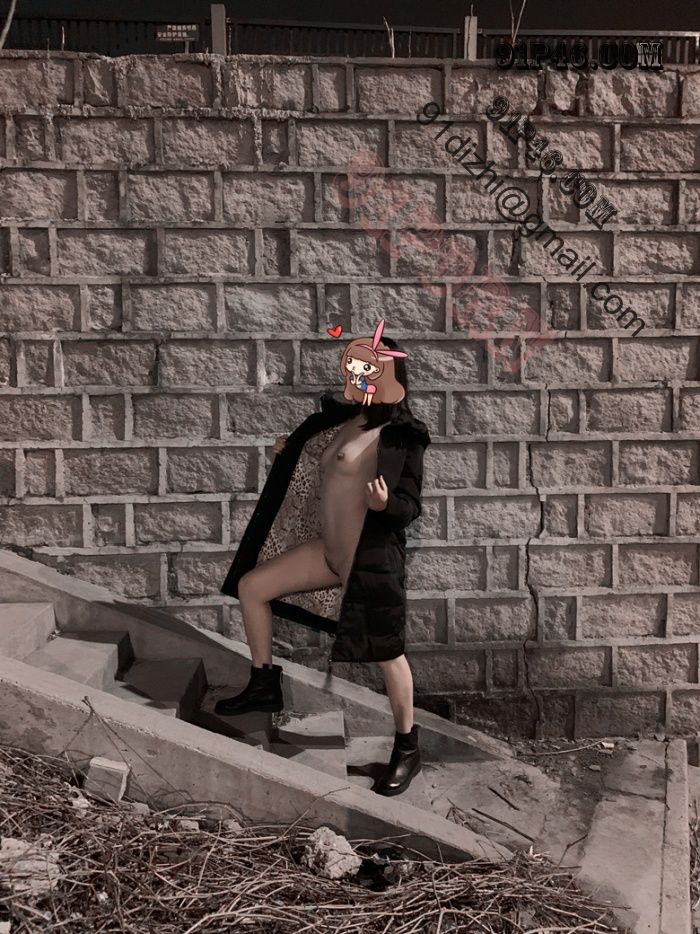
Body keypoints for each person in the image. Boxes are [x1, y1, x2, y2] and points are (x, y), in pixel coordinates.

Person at [217, 321, 431, 797]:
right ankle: (263, 683)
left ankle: (407, 748)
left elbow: (410, 505)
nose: (356, 377)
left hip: (367, 561)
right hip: (327, 552)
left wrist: (384, 505)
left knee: (388, 654)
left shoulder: (402, 437)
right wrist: (289, 450)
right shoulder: (345, 418)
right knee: (252, 587)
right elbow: (319, 461)